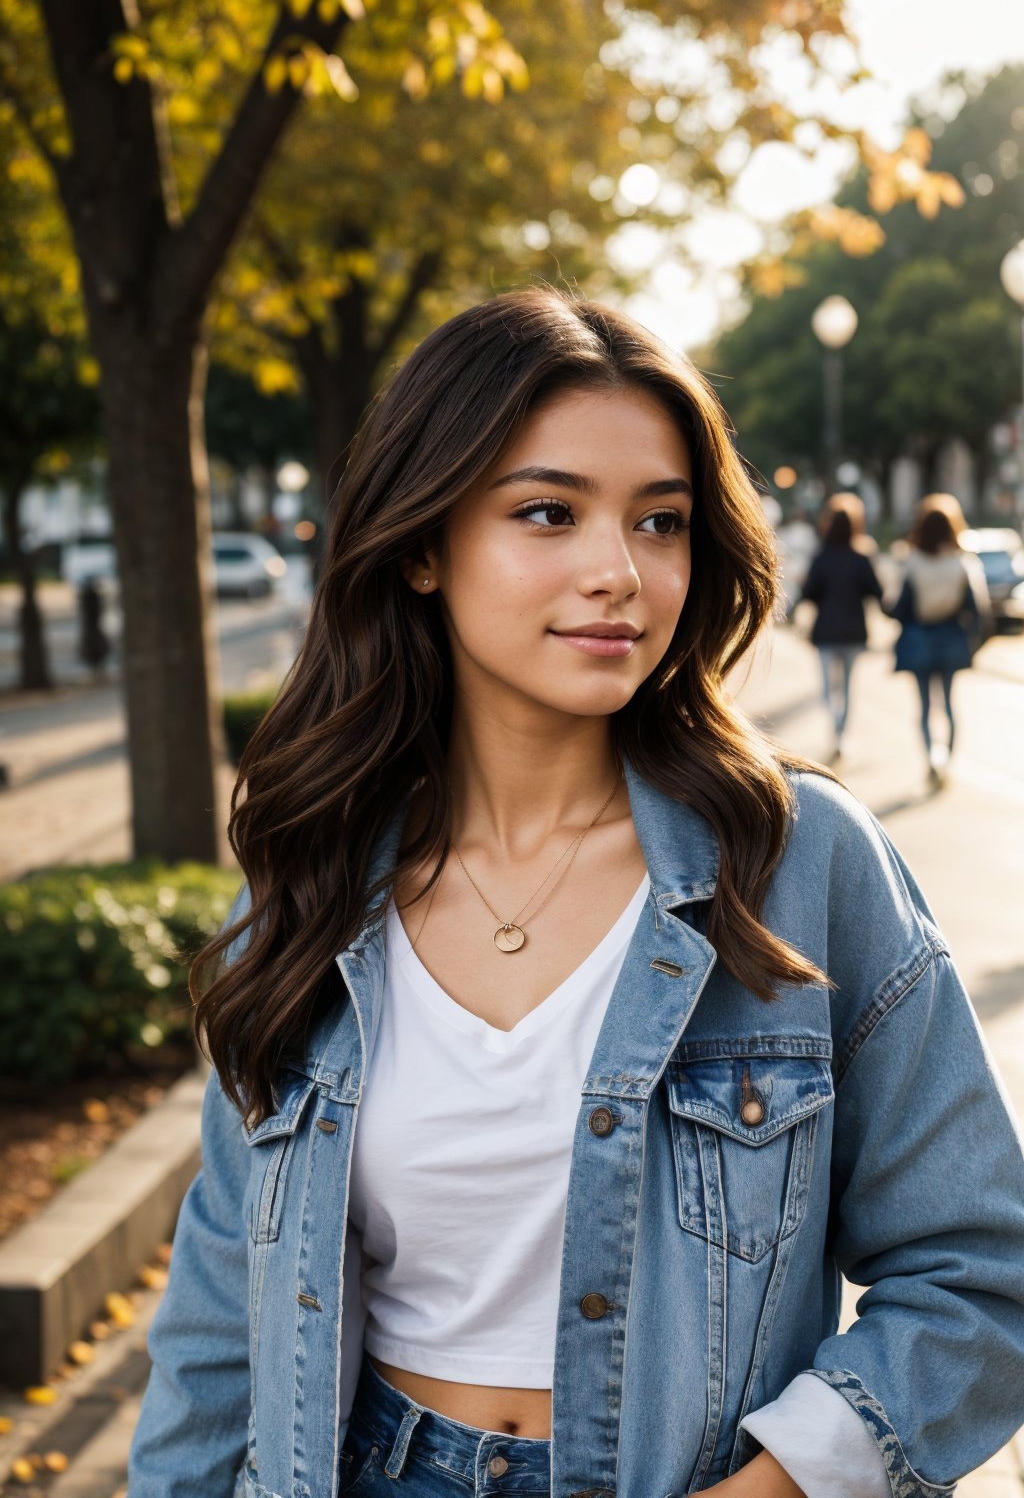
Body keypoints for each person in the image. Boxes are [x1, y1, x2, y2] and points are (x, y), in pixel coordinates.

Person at [128, 290, 1024, 1498]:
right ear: (421, 546)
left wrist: (781, 1485)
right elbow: (217, 1328)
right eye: (548, 513)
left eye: (659, 522)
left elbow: (976, 1272)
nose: (619, 572)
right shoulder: (313, 879)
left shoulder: (798, 864)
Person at [885, 493, 990, 787]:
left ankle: (931, 757)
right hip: (951, 640)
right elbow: (978, 612)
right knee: (948, 704)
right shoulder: (963, 564)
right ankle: (949, 760)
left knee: (923, 707)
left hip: (919, 639)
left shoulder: (912, 563)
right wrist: (973, 644)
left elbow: (898, 610)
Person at [799, 494, 883, 761]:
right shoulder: (861, 557)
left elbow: (809, 592)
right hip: (854, 633)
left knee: (827, 689)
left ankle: (835, 728)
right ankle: (840, 734)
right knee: (846, 687)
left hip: (826, 633)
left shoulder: (822, 556)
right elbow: (876, 591)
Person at [77, 576, 110, 680]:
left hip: (92, 626)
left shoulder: (87, 597)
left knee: (95, 648)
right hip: (92, 626)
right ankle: (96, 669)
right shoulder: (90, 597)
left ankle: (96, 669)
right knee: (94, 648)